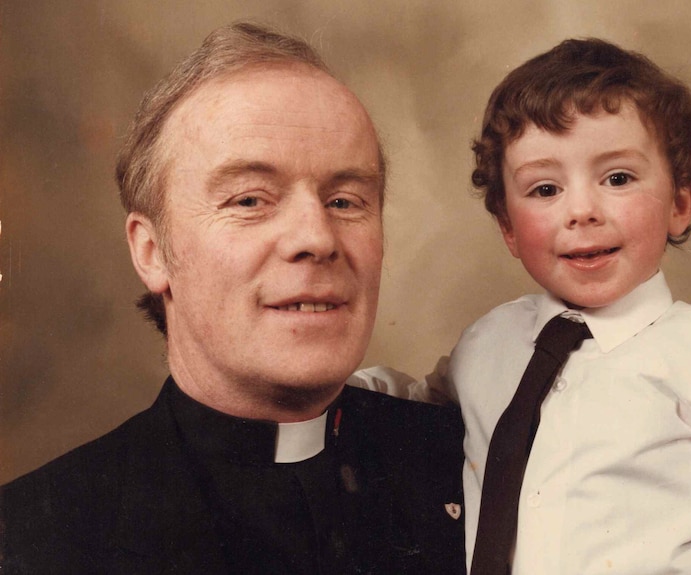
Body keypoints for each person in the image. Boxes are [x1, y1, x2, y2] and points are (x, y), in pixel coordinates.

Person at [354, 38, 691, 574]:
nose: (581, 210)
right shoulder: (488, 341)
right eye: (545, 189)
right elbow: (416, 407)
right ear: (508, 227)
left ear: (681, 203)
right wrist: (325, 385)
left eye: (617, 178)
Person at [0, 22, 466, 575]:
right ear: (151, 252)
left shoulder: (476, 460)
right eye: (249, 200)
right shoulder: (33, 537)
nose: (316, 238)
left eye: (345, 200)